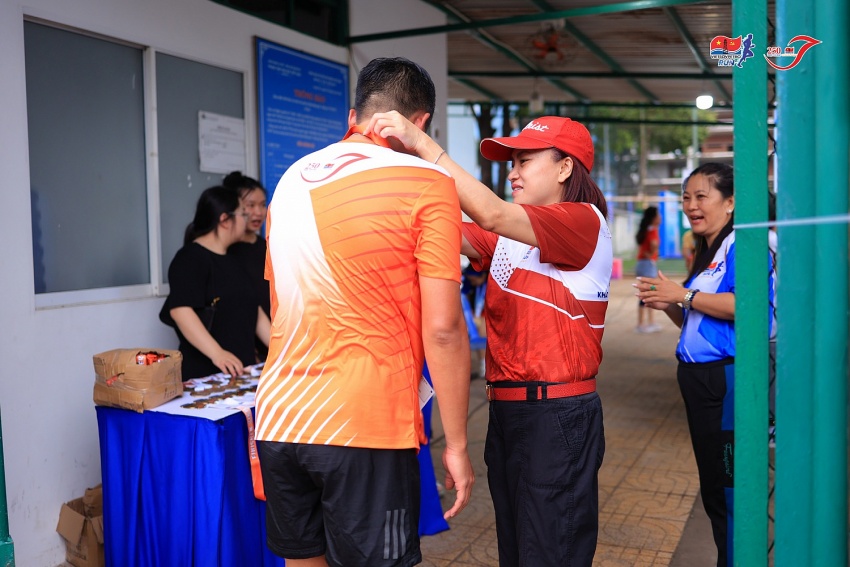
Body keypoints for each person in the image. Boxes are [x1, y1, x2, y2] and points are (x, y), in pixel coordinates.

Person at [254, 57, 474, 567]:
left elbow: (279, 306)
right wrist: (457, 444)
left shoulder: (289, 183)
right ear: (420, 124)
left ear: (354, 115)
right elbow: (443, 331)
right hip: (364, 423)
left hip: (281, 418)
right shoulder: (425, 182)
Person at [368, 112, 611, 566]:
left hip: (556, 418)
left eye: (525, 161)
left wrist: (423, 144)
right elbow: (438, 231)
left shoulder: (582, 221)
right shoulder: (512, 237)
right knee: (517, 553)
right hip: (510, 413)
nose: (512, 172)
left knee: (549, 554)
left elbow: (492, 213)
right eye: (510, 163)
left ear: (565, 168)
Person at [634, 163, 776, 567]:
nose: (691, 206)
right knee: (715, 490)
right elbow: (697, 318)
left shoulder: (742, 245)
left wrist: (685, 295)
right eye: (686, 197)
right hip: (700, 382)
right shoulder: (709, 250)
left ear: (730, 203)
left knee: (729, 490)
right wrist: (669, 304)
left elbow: (748, 308)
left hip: (725, 381)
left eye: (702, 197)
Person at [160, 186, 271, 379]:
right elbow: (180, 310)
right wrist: (217, 354)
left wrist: (282, 350)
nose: (245, 221)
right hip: (205, 375)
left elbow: (255, 310)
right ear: (225, 220)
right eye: (242, 214)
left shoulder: (234, 258)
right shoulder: (190, 257)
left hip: (241, 373)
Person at [223, 171, 271, 359]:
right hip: (239, 350)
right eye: (250, 205)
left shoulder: (269, 247)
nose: (258, 212)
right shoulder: (226, 251)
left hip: (272, 340)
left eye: (262, 205)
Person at [635, 206, 662, 333]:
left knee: (647, 293)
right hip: (647, 264)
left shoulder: (645, 229)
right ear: (653, 218)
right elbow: (653, 244)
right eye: (658, 215)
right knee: (649, 294)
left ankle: (646, 323)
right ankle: (644, 324)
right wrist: (653, 252)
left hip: (642, 264)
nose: (660, 217)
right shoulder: (653, 230)